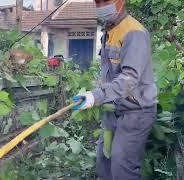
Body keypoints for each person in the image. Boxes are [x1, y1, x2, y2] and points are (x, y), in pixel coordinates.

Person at [72, 0, 158, 179]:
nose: (101, 5)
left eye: (106, 1)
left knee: (122, 166)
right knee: (104, 160)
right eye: (98, 1)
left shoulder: (134, 32)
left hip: (136, 111)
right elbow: (110, 74)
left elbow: (129, 79)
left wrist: (97, 96)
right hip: (113, 109)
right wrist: (93, 94)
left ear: (121, 1)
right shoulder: (109, 30)